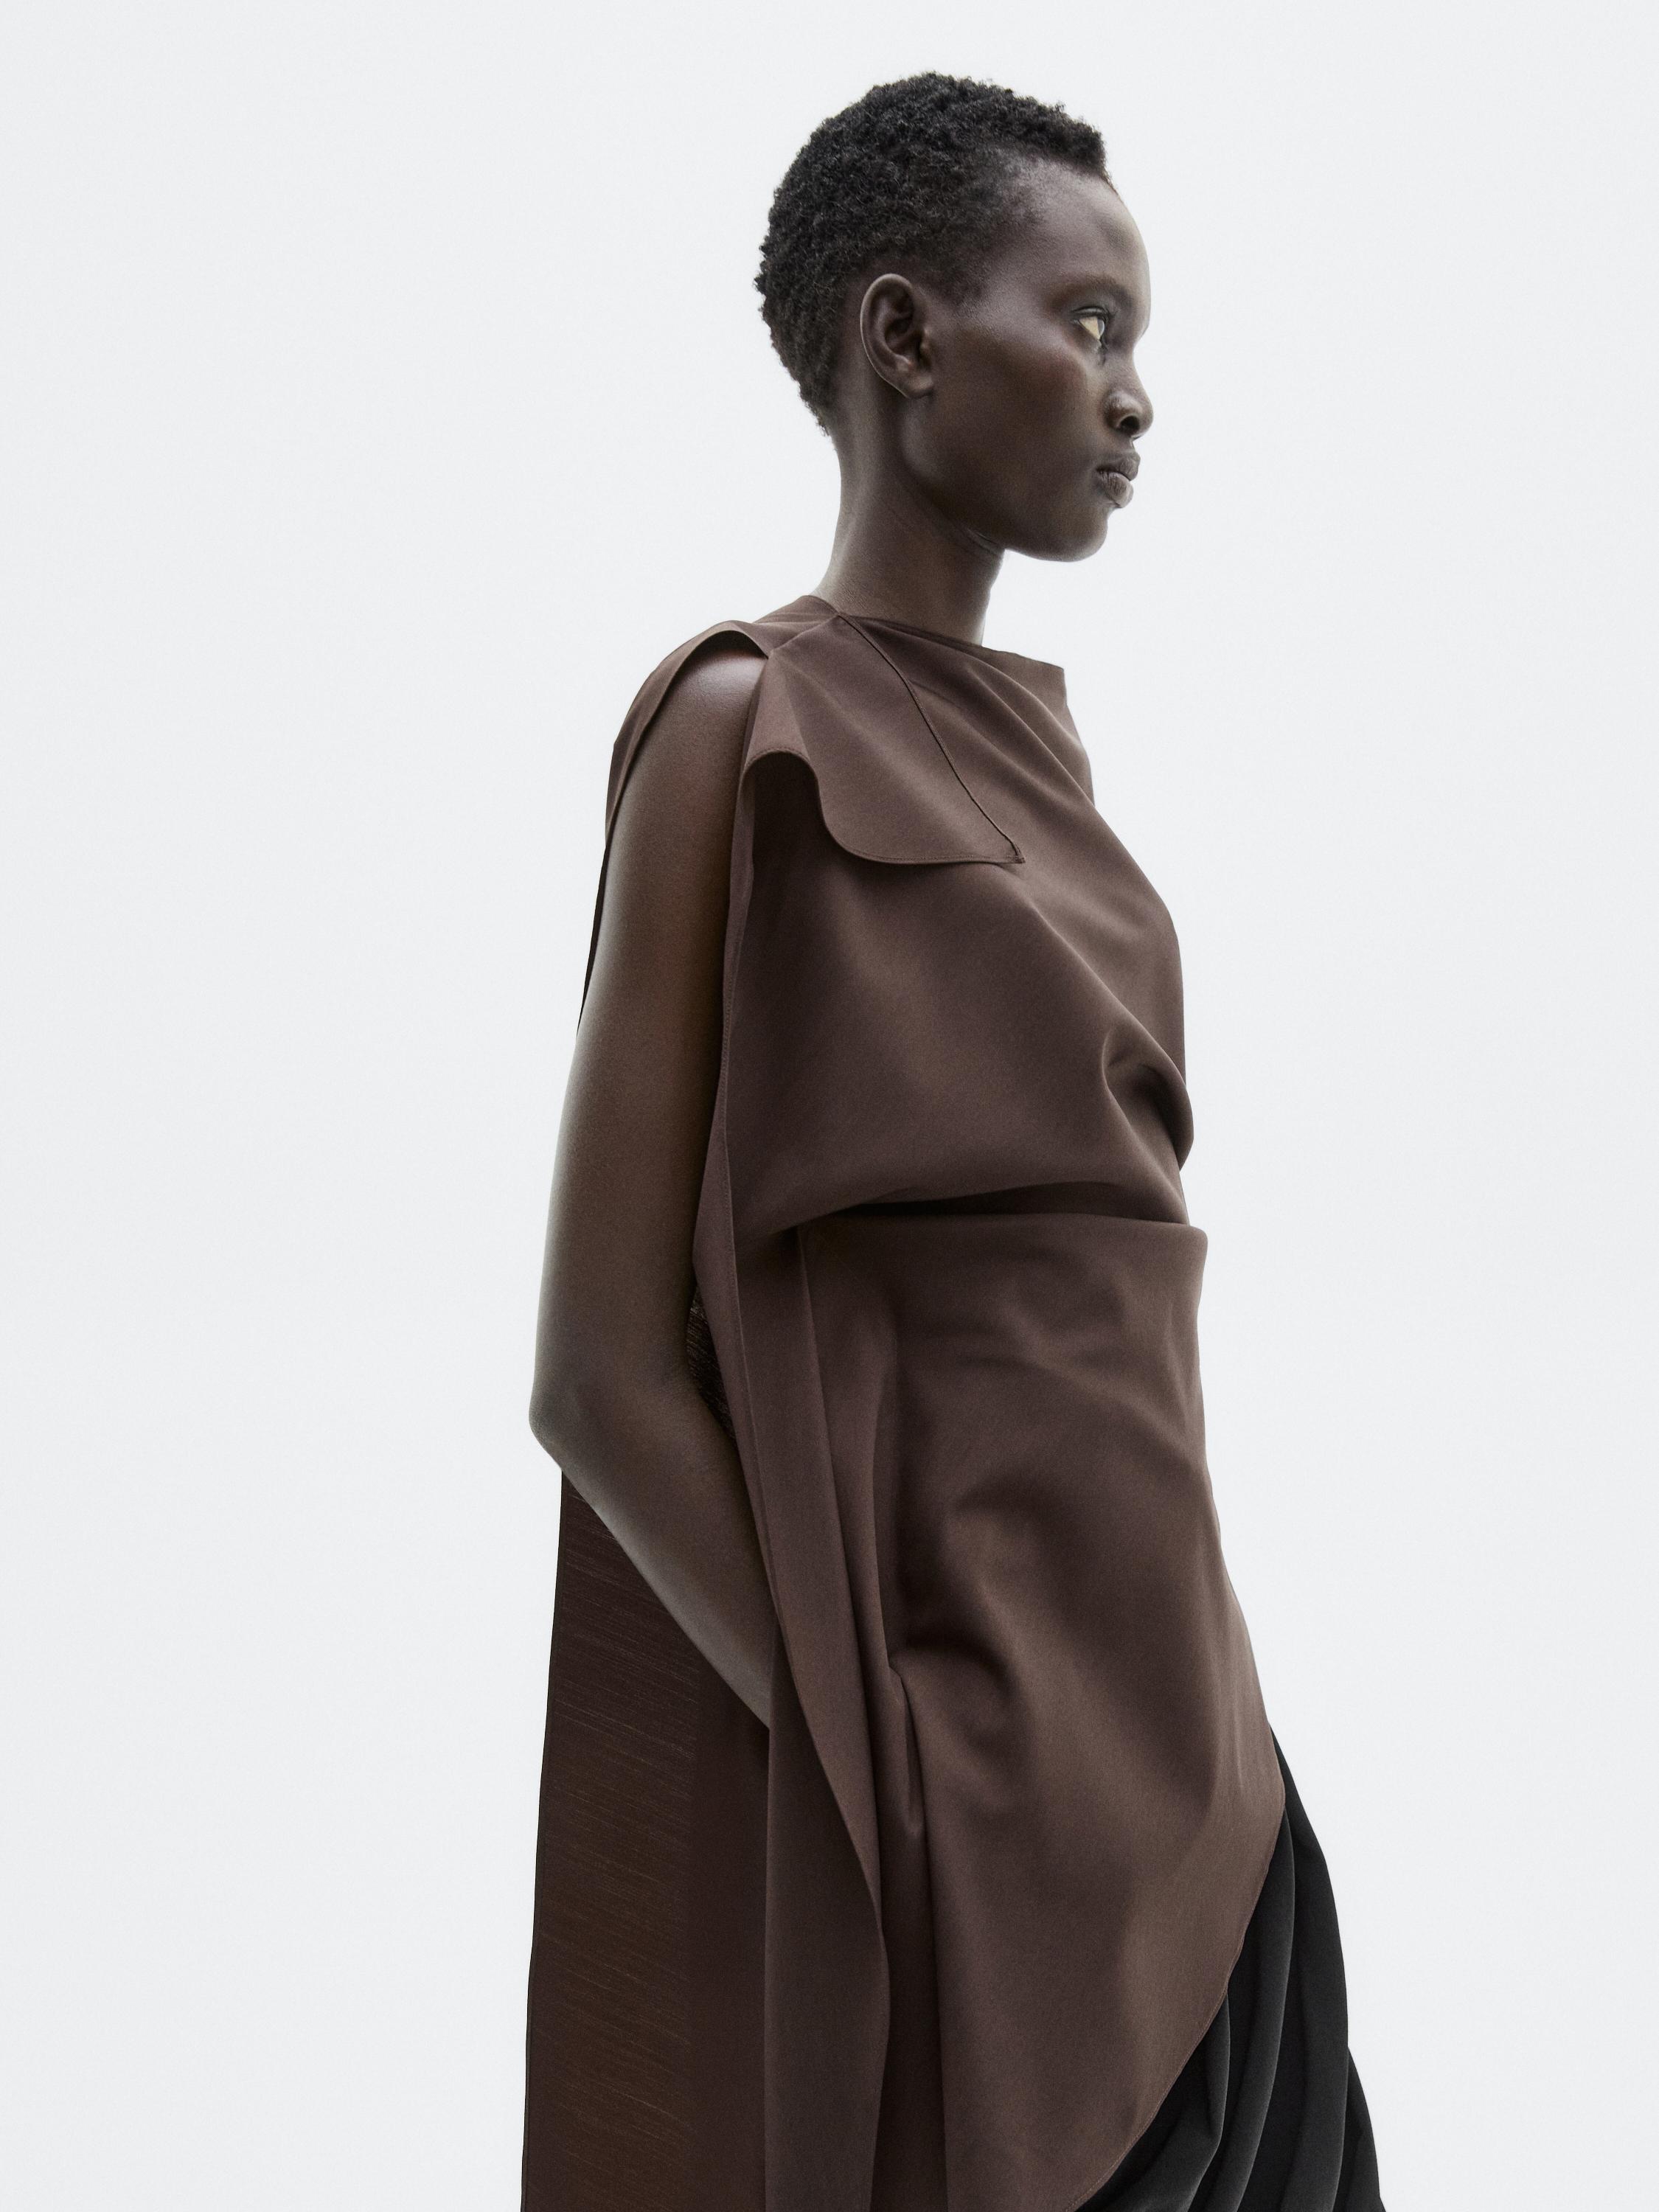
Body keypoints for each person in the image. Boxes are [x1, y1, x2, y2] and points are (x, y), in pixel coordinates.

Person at [521, 70, 1385, 2212]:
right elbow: (598, 1375)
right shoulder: (743, 725)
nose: (1133, 394)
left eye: (1135, 341)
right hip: (975, 1813)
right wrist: (878, 1787)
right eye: (1087, 325)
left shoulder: (1052, 769)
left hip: (1208, 1778)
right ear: (903, 336)